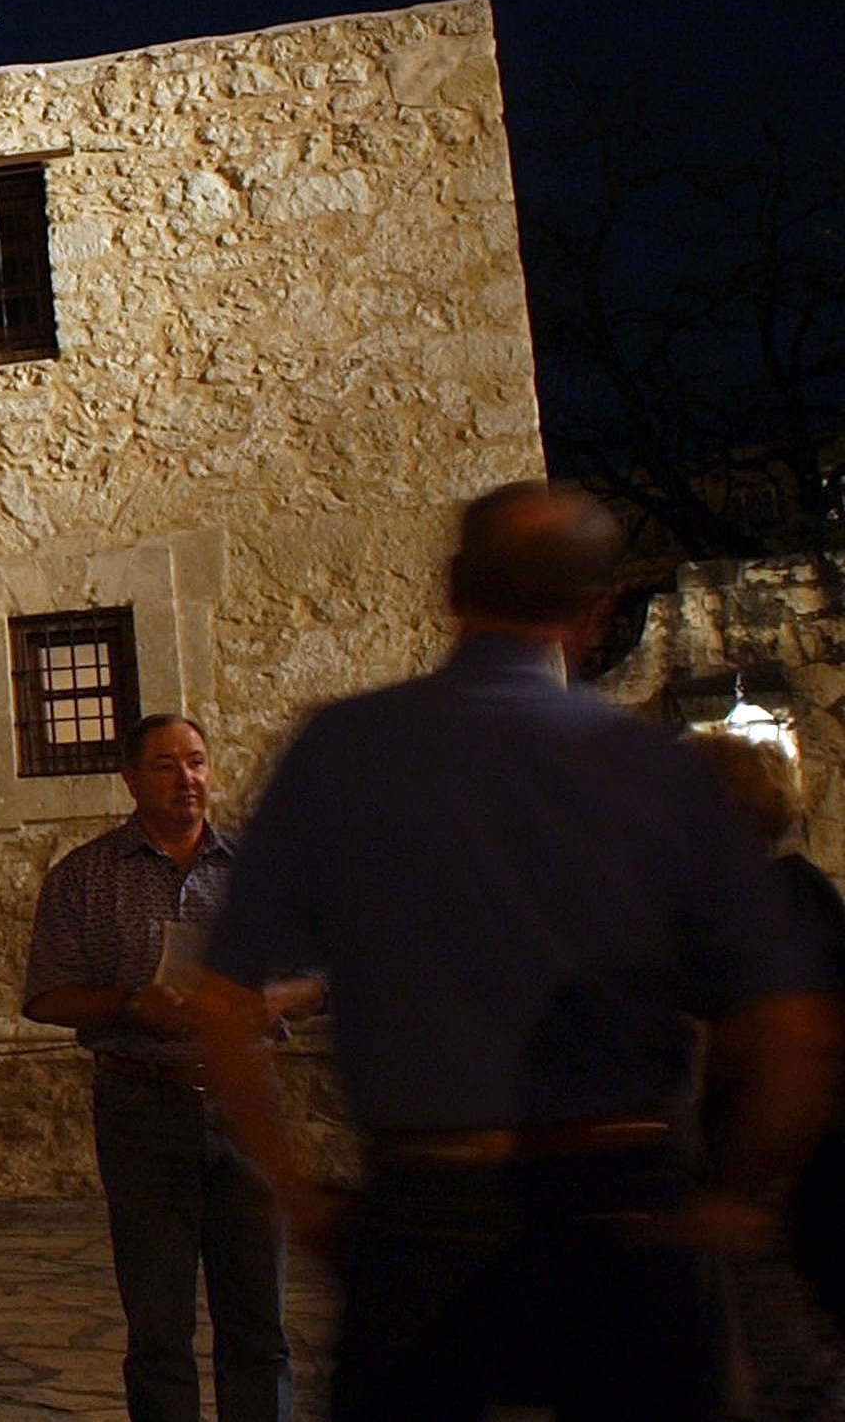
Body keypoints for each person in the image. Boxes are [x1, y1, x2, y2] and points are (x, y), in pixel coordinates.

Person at [191, 482, 844, 1422]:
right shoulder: (661, 771)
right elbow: (795, 1029)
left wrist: (297, 1191)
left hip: (426, 1213)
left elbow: (220, 1002)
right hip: (624, 1212)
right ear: (600, 607)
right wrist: (733, 1195)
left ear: (452, 587)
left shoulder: (344, 752)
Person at [21, 712, 306, 1422]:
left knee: (259, 1324)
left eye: (199, 761)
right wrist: (132, 1004)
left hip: (246, 1104)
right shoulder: (85, 878)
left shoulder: (257, 873)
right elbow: (47, 993)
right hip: (142, 1107)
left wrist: (269, 1001)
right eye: (167, 765)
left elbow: (319, 972)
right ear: (129, 778)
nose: (188, 778)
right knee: (158, 1324)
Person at [682, 729, 845, 1418]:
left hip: (786, 1183)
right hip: (799, 1176)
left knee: (783, 1374)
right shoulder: (803, 892)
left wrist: (740, 1187)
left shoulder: (753, 913)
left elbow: (793, 1046)